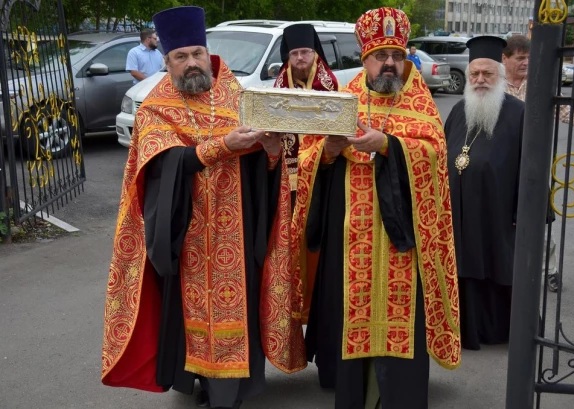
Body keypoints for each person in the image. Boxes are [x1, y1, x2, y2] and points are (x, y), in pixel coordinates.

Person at [101, 6, 306, 409]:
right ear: (167, 61)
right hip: (187, 233)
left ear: (207, 51)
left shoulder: (239, 95)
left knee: (239, 312)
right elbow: (163, 164)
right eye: (181, 56)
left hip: (240, 230)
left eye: (197, 52)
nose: (191, 62)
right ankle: (198, 381)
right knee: (188, 317)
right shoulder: (157, 105)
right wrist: (222, 147)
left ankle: (230, 393)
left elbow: (266, 164)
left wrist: (268, 150)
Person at [292, 7, 460, 409]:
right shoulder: (343, 100)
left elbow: (435, 157)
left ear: (406, 60)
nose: (390, 63)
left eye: (397, 56)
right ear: (364, 58)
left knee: (402, 329)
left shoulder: (420, 102)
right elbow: (309, 155)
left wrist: (387, 144)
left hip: (405, 244)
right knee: (350, 316)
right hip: (351, 242)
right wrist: (330, 152)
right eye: (381, 55)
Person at [502, 34, 574, 292]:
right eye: (520, 58)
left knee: (539, 225)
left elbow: (567, 111)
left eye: (530, 58)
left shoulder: (539, 85)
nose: (526, 63)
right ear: (504, 58)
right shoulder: (493, 84)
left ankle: (549, 270)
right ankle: (504, 272)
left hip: (532, 168)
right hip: (499, 168)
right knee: (499, 224)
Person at [444, 36, 525, 351]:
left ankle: (496, 329)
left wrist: (524, 212)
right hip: (458, 208)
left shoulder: (519, 114)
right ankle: (462, 327)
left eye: (486, 74)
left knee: (494, 263)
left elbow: (531, 168)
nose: (479, 80)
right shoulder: (458, 111)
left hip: (497, 210)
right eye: (474, 74)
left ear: (499, 75)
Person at [273, 23, 339, 322]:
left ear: (315, 54)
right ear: (288, 56)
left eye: (306, 52)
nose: (301, 59)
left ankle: (317, 305)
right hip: (287, 180)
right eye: (295, 53)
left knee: (318, 241)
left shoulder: (331, 87)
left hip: (322, 177)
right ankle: (289, 303)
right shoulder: (278, 87)